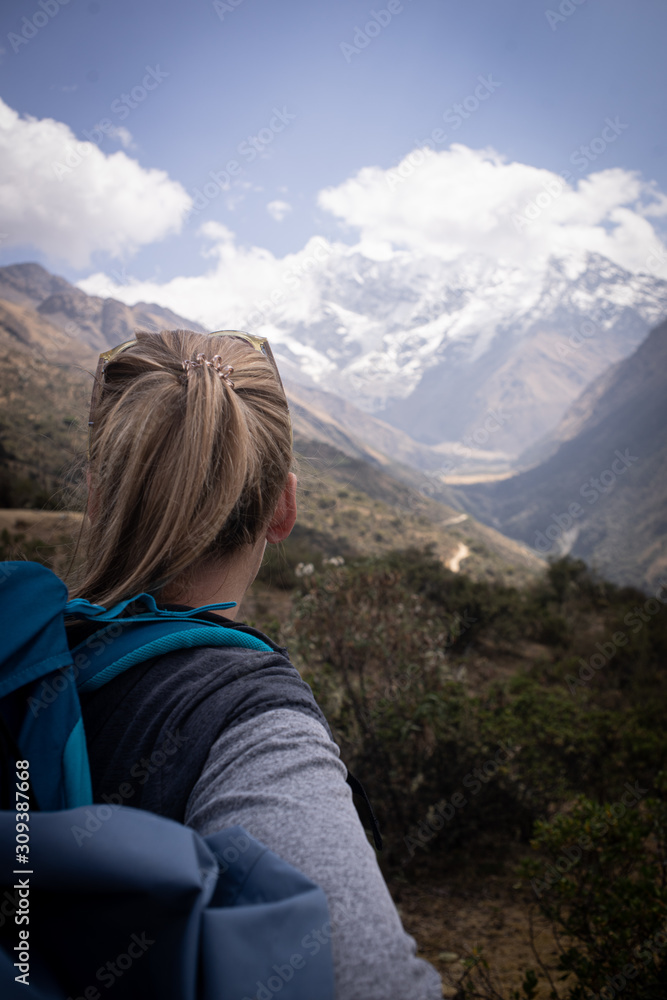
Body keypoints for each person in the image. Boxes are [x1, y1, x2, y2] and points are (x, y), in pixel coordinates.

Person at [69, 327, 443, 1000]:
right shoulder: (254, 728)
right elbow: (374, 985)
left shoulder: (27, 653)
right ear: (283, 508)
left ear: (96, 499)